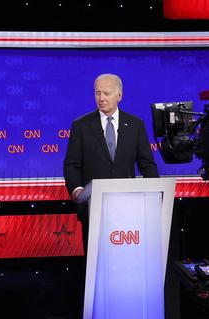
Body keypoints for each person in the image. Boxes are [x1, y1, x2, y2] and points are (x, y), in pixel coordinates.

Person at [63, 73, 159, 250]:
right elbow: (71, 164)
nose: (101, 98)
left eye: (106, 93)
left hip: (129, 206)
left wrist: (156, 197)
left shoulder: (136, 125)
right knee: (95, 260)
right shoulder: (81, 125)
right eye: (97, 93)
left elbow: (147, 164)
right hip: (93, 206)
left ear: (119, 96)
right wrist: (77, 190)